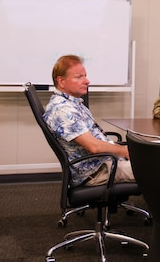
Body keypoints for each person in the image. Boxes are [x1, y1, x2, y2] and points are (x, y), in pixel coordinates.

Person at [42, 55, 134, 186]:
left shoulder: (74, 103)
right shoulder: (63, 110)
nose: (87, 81)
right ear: (61, 81)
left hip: (105, 162)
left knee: (159, 162)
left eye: (85, 76)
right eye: (79, 77)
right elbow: (94, 147)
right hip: (96, 171)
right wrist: (125, 151)